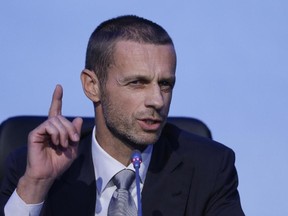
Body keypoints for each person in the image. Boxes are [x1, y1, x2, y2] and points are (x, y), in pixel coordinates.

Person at [0, 15, 245, 216]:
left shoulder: (210, 168)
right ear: (92, 86)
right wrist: (36, 185)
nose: (157, 100)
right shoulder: (26, 170)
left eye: (166, 84)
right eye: (137, 83)